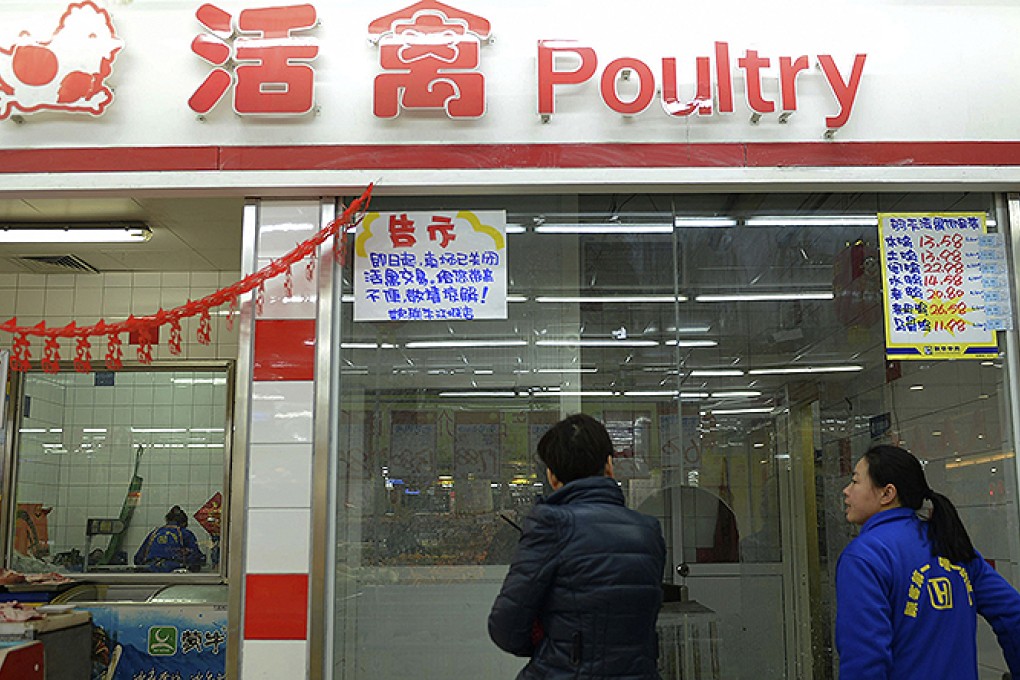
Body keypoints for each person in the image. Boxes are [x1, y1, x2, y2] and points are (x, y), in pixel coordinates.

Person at [488, 413, 666, 679]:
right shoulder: (648, 530)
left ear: (552, 476)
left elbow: (506, 626)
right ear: (609, 465)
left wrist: (553, 648)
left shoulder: (551, 525)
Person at [837, 444, 1020, 680]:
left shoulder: (865, 556)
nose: (846, 491)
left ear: (887, 494)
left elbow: (864, 660)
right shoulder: (952, 546)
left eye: (855, 481)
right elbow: (1013, 614)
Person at [134, 505, 205, 573]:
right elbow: (195, 557)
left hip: (150, 571)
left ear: (167, 520)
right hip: (172, 572)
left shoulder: (155, 533)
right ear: (184, 523)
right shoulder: (185, 533)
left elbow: (138, 558)